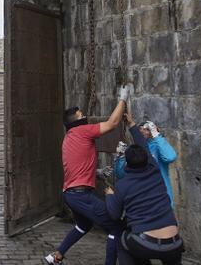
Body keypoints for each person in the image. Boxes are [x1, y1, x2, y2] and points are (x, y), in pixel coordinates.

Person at [43, 83, 132, 265]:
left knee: (84, 225)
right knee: (116, 227)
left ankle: (56, 256)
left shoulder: (69, 137)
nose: (84, 115)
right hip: (80, 195)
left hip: (70, 193)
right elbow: (112, 123)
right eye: (81, 114)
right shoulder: (83, 131)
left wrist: (96, 172)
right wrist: (123, 98)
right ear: (74, 121)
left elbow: (76, 164)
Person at [105, 129, 184, 265]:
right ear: (148, 159)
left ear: (127, 163)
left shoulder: (123, 185)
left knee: (122, 239)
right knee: (172, 255)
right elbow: (145, 147)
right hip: (175, 243)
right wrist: (132, 125)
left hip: (145, 243)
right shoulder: (156, 173)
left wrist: (110, 196)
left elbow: (114, 214)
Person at [135, 120, 177, 207]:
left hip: (161, 197)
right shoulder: (139, 148)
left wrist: (156, 135)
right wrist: (119, 160)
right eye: (140, 129)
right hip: (144, 197)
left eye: (146, 129)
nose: (142, 131)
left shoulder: (159, 145)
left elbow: (170, 157)